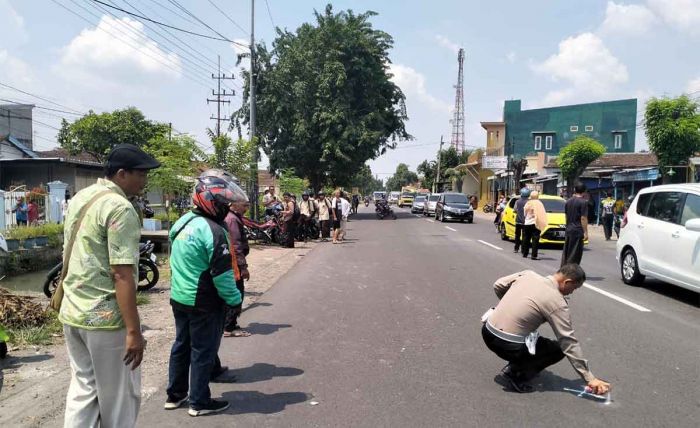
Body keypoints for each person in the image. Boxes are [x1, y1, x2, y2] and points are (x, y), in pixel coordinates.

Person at [60, 143, 161, 427]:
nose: (145, 180)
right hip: (105, 319)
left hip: (73, 311)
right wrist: (133, 331)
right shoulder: (120, 208)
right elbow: (122, 274)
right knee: (119, 400)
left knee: (83, 392)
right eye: (141, 174)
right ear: (121, 174)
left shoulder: (82, 197)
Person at [166, 169, 243, 417]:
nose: (226, 208)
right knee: (203, 351)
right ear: (210, 201)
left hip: (179, 297)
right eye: (222, 204)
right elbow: (222, 275)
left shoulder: (182, 222)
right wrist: (234, 300)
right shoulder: (214, 231)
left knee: (181, 346)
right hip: (204, 302)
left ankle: (175, 395)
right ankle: (199, 402)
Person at [482, 264, 611, 395]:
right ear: (567, 282)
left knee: (533, 337)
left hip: (487, 332)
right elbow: (568, 342)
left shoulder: (528, 275)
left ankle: (516, 364)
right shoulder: (557, 302)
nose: (572, 292)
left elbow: (498, 285)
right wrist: (590, 378)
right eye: (574, 288)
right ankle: (516, 373)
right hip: (507, 346)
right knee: (558, 349)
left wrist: (510, 306)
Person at [223, 197, 251, 338]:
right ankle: (229, 327)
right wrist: (243, 267)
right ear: (234, 204)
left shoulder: (233, 217)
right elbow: (236, 246)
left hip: (232, 263)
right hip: (234, 265)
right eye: (244, 205)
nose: (246, 208)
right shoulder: (232, 219)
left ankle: (228, 323)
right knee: (236, 294)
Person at [561, 182, 589, 267]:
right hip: (577, 230)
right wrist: (586, 232)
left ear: (575, 190)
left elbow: (566, 216)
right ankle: (571, 270)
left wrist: (568, 225)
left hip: (569, 229)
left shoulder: (568, 201)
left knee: (567, 251)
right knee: (575, 253)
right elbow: (583, 218)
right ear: (584, 191)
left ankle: (564, 269)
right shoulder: (583, 202)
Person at [521, 191, 546, 260]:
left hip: (527, 223)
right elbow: (542, 214)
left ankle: (525, 253)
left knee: (526, 238)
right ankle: (534, 255)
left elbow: (524, 213)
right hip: (535, 224)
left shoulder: (528, 203)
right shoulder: (539, 203)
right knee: (535, 240)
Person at [513, 188, 530, 253]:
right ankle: (523, 249)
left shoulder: (517, 201)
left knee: (517, 235)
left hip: (518, 221)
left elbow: (515, 209)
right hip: (526, 222)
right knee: (524, 236)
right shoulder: (529, 202)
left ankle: (516, 248)